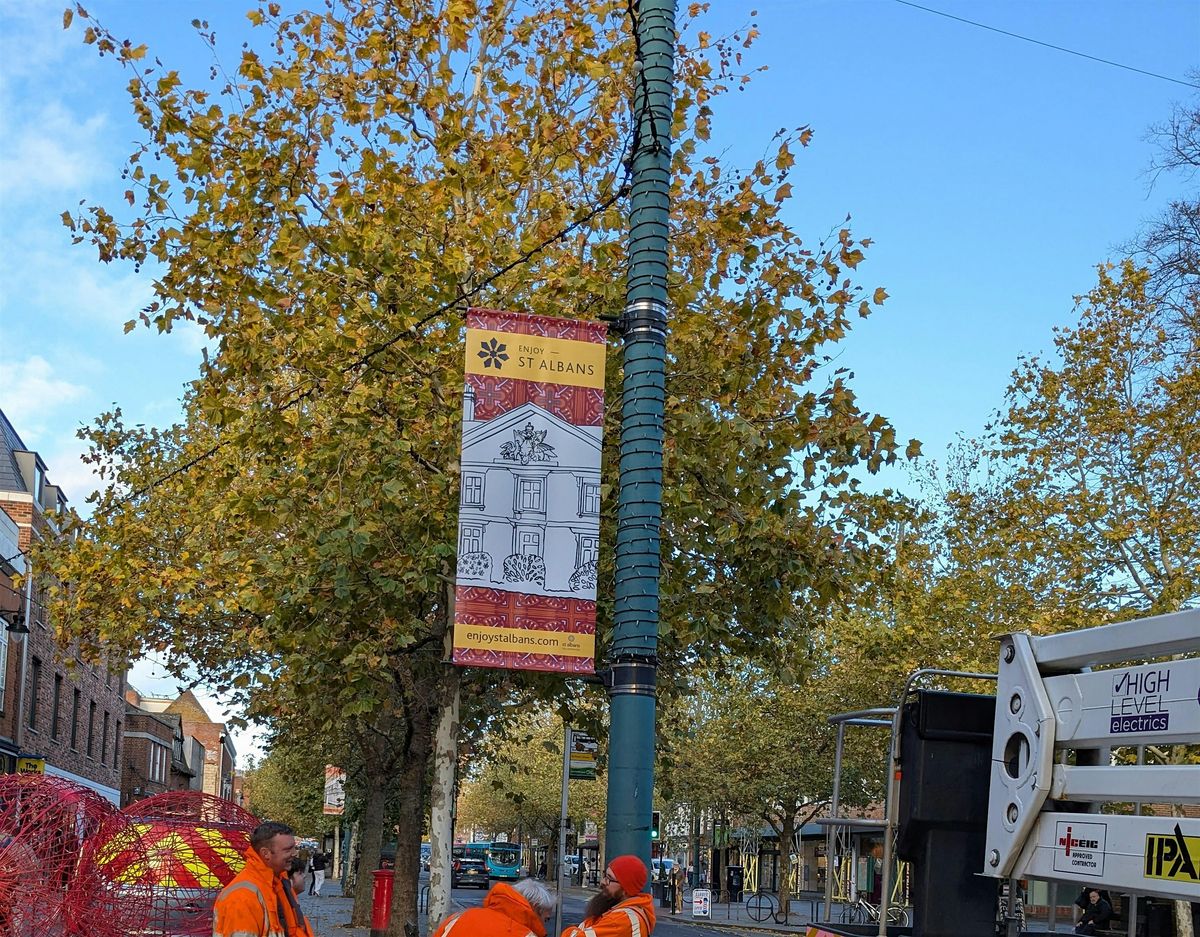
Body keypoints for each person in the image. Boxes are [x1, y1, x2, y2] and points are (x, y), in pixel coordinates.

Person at [213, 821, 315, 937]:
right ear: (265, 853)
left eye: (294, 848)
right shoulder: (242, 897)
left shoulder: (278, 882)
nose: (294, 853)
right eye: (288, 850)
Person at [561, 855, 655, 937]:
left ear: (626, 888)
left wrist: (572, 930)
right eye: (605, 876)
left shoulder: (619, 920)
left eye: (609, 879)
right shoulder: (637, 910)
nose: (603, 882)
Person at [432, 877, 553, 937]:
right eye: (546, 919)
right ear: (535, 908)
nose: (544, 927)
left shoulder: (458, 918)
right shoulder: (524, 935)